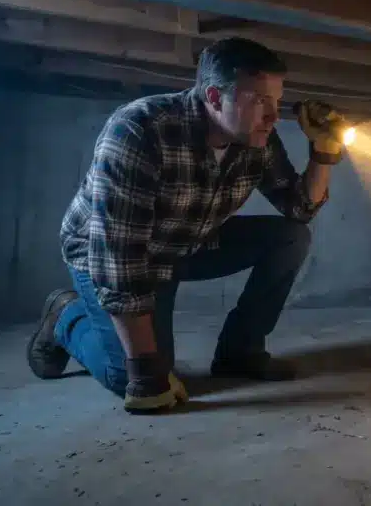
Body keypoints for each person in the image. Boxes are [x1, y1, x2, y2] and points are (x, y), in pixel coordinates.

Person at [25, 37, 348, 414]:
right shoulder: (139, 130)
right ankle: (66, 315)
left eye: (276, 100)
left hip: (186, 242)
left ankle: (239, 353)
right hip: (111, 255)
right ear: (213, 96)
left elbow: (299, 208)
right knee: (129, 377)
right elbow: (120, 260)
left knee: (290, 237)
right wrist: (146, 374)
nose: (273, 115)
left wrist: (324, 154)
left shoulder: (257, 138)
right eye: (258, 100)